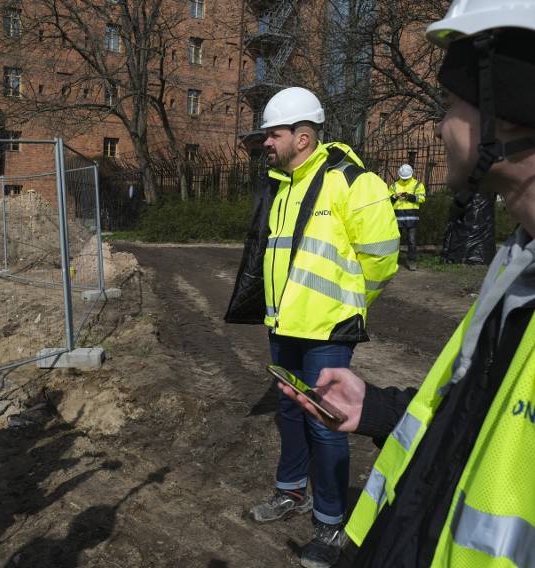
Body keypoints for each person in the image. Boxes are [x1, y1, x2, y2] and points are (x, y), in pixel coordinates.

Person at [278, 1, 535, 566]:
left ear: (508, 109)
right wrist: (383, 411)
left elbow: (378, 253)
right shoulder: (517, 266)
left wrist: (352, 305)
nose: (439, 126)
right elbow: (479, 427)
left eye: (448, 104)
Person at [224, 86, 399, 568]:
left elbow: (382, 257)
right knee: (290, 411)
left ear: (303, 137)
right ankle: (290, 492)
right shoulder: (282, 184)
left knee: (326, 425)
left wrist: (353, 304)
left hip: (328, 329)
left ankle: (330, 522)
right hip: (284, 325)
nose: (266, 142)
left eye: (273, 133)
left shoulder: (352, 182)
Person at [389, 164, 426, 271]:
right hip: (398, 216)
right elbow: (388, 200)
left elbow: (422, 198)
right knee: (395, 240)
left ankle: (412, 262)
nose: (405, 180)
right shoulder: (394, 185)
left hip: (412, 216)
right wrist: (395, 196)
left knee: (412, 240)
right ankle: (392, 261)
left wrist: (409, 196)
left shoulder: (417, 185)